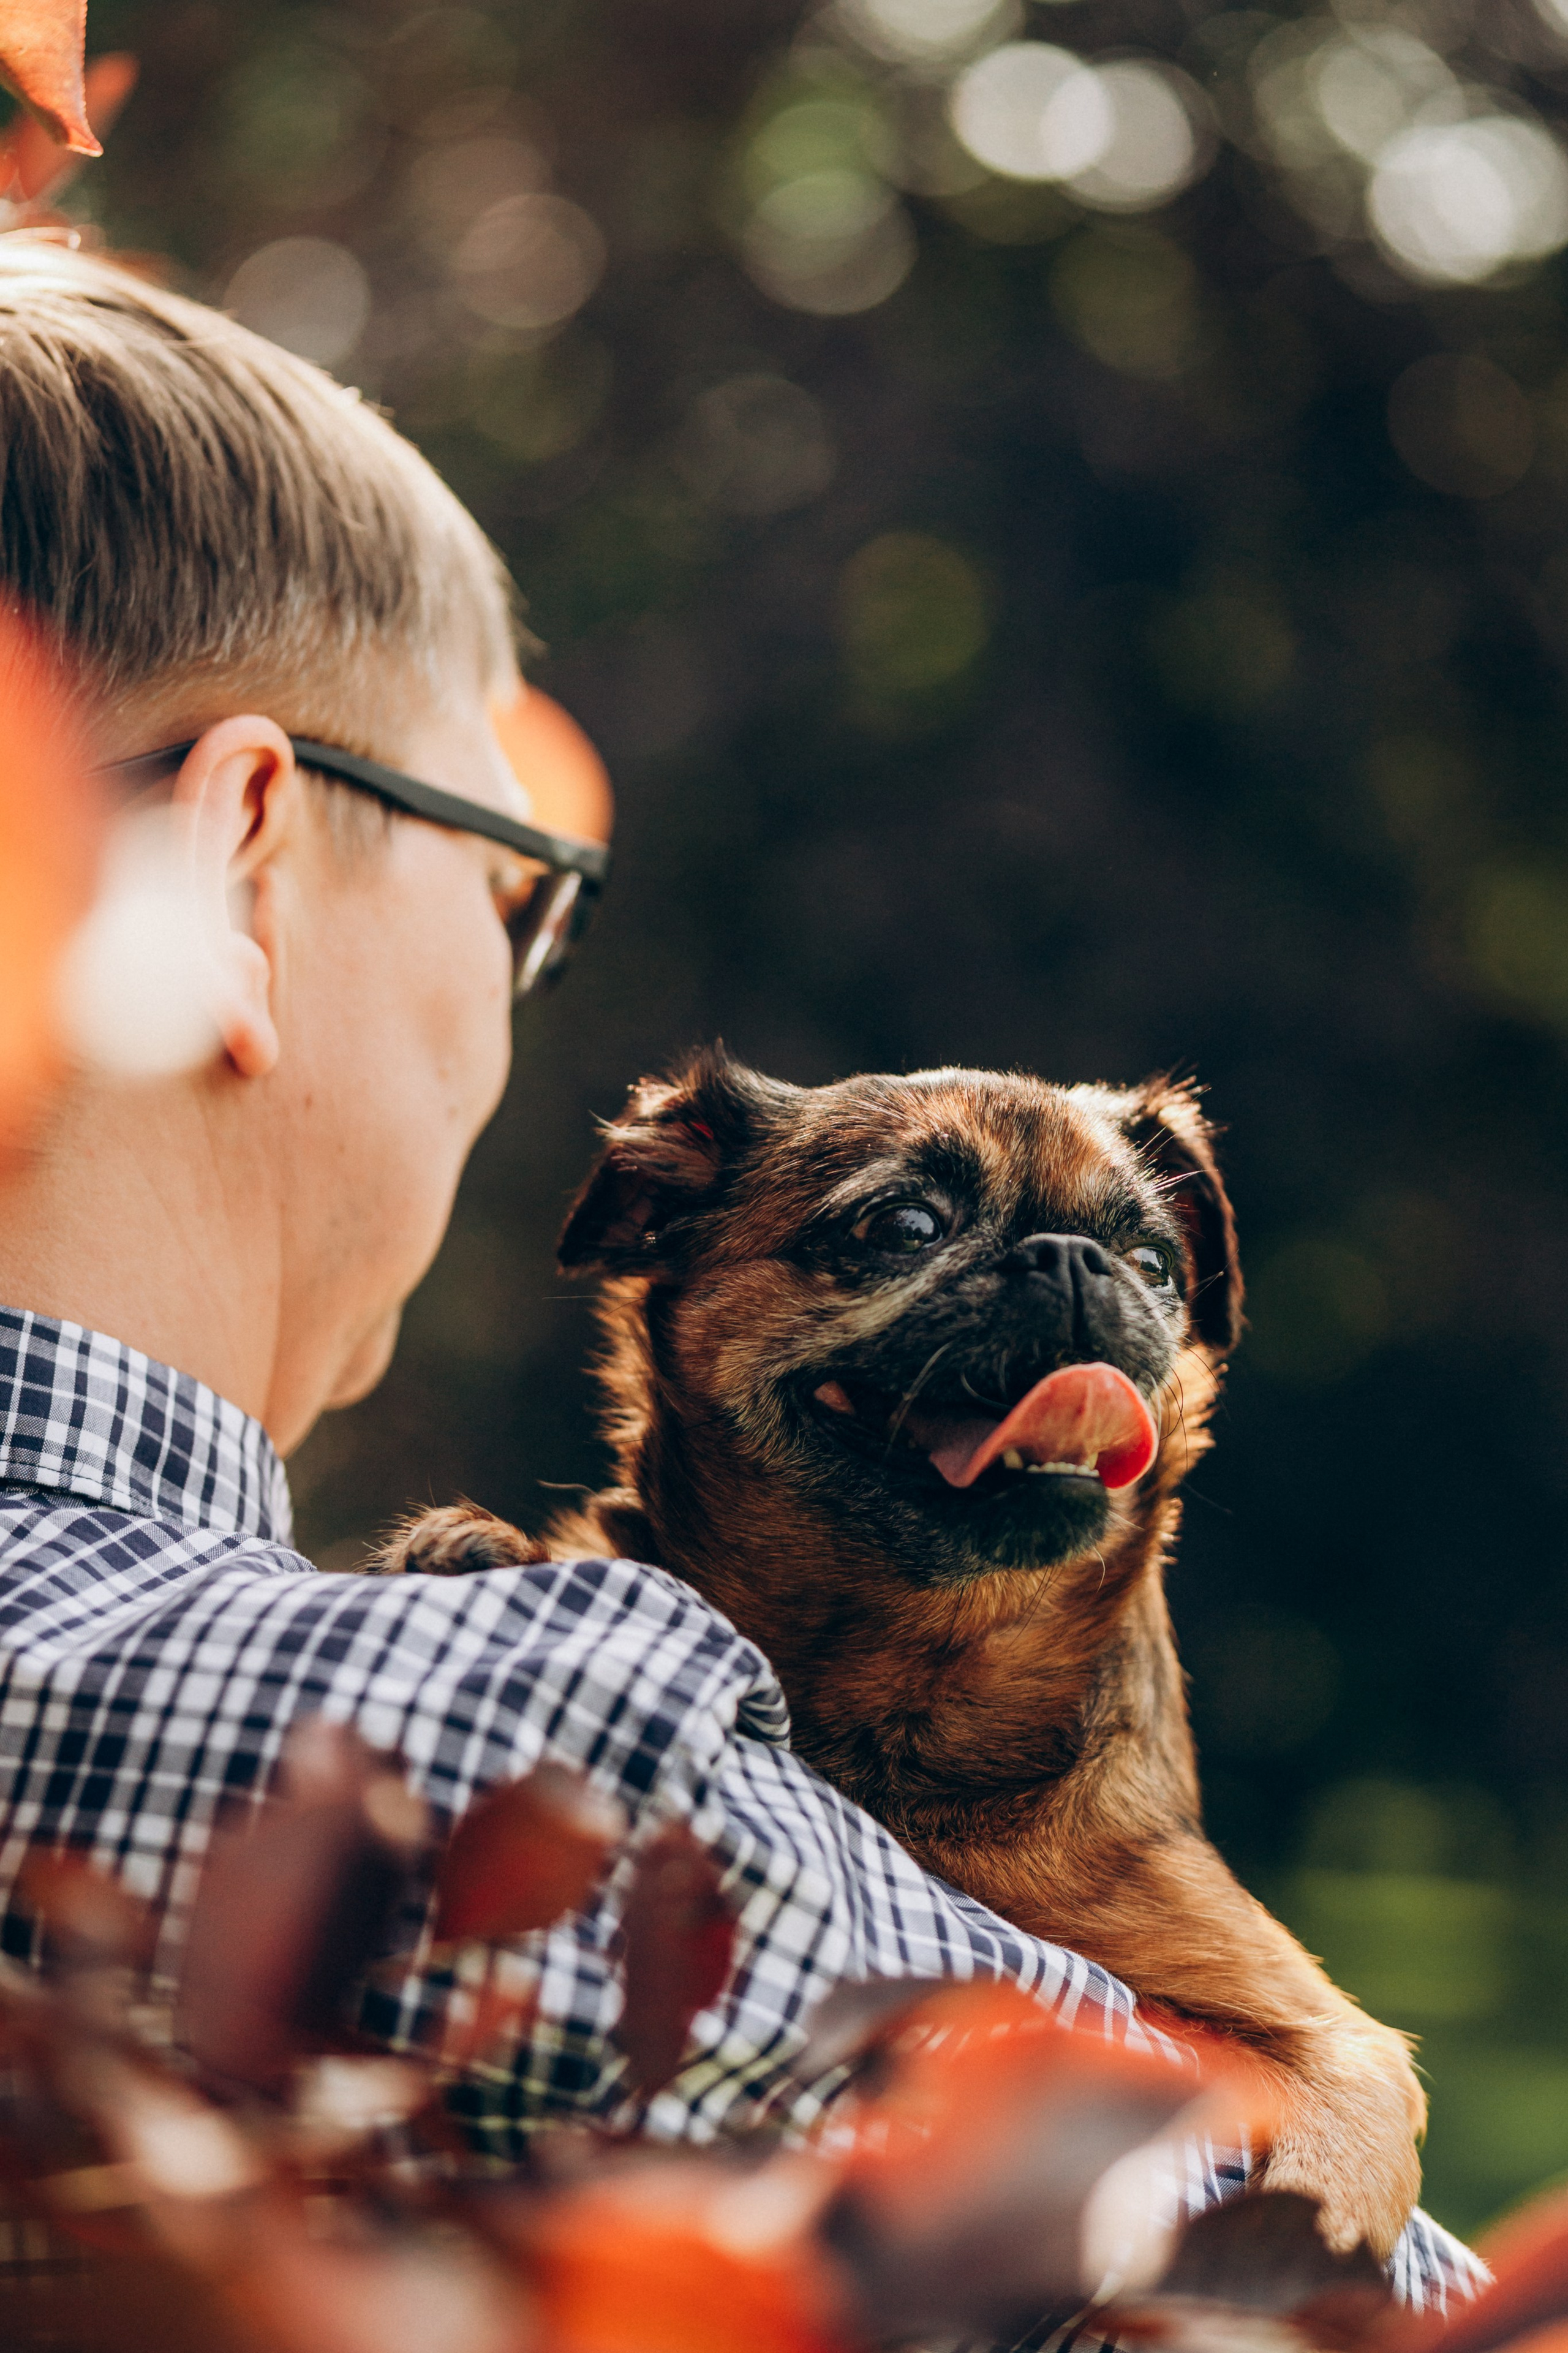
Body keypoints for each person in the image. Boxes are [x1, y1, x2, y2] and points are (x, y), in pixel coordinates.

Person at [0, 238, 1476, 2331]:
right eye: (521, 900)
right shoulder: (535, 1748)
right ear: (243, 856)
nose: (512, 1003)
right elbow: (1344, 2307)